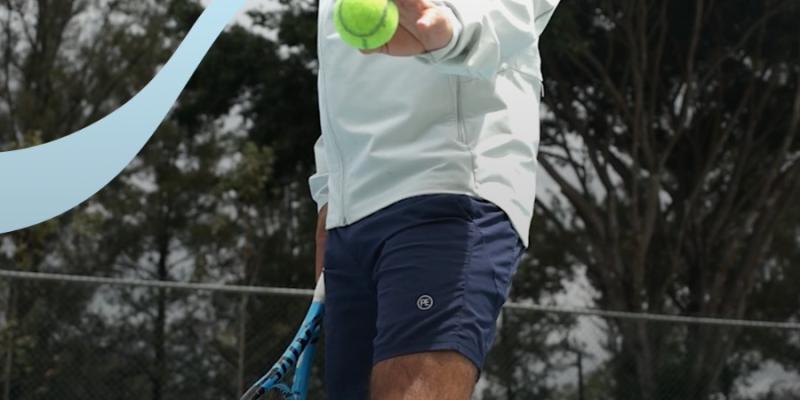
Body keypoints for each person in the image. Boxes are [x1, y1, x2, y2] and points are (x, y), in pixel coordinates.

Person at [309, 0, 559, 398]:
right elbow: (338, 82)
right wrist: (330, 196)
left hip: (449, 186)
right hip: (350, 221)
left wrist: (451, 30)